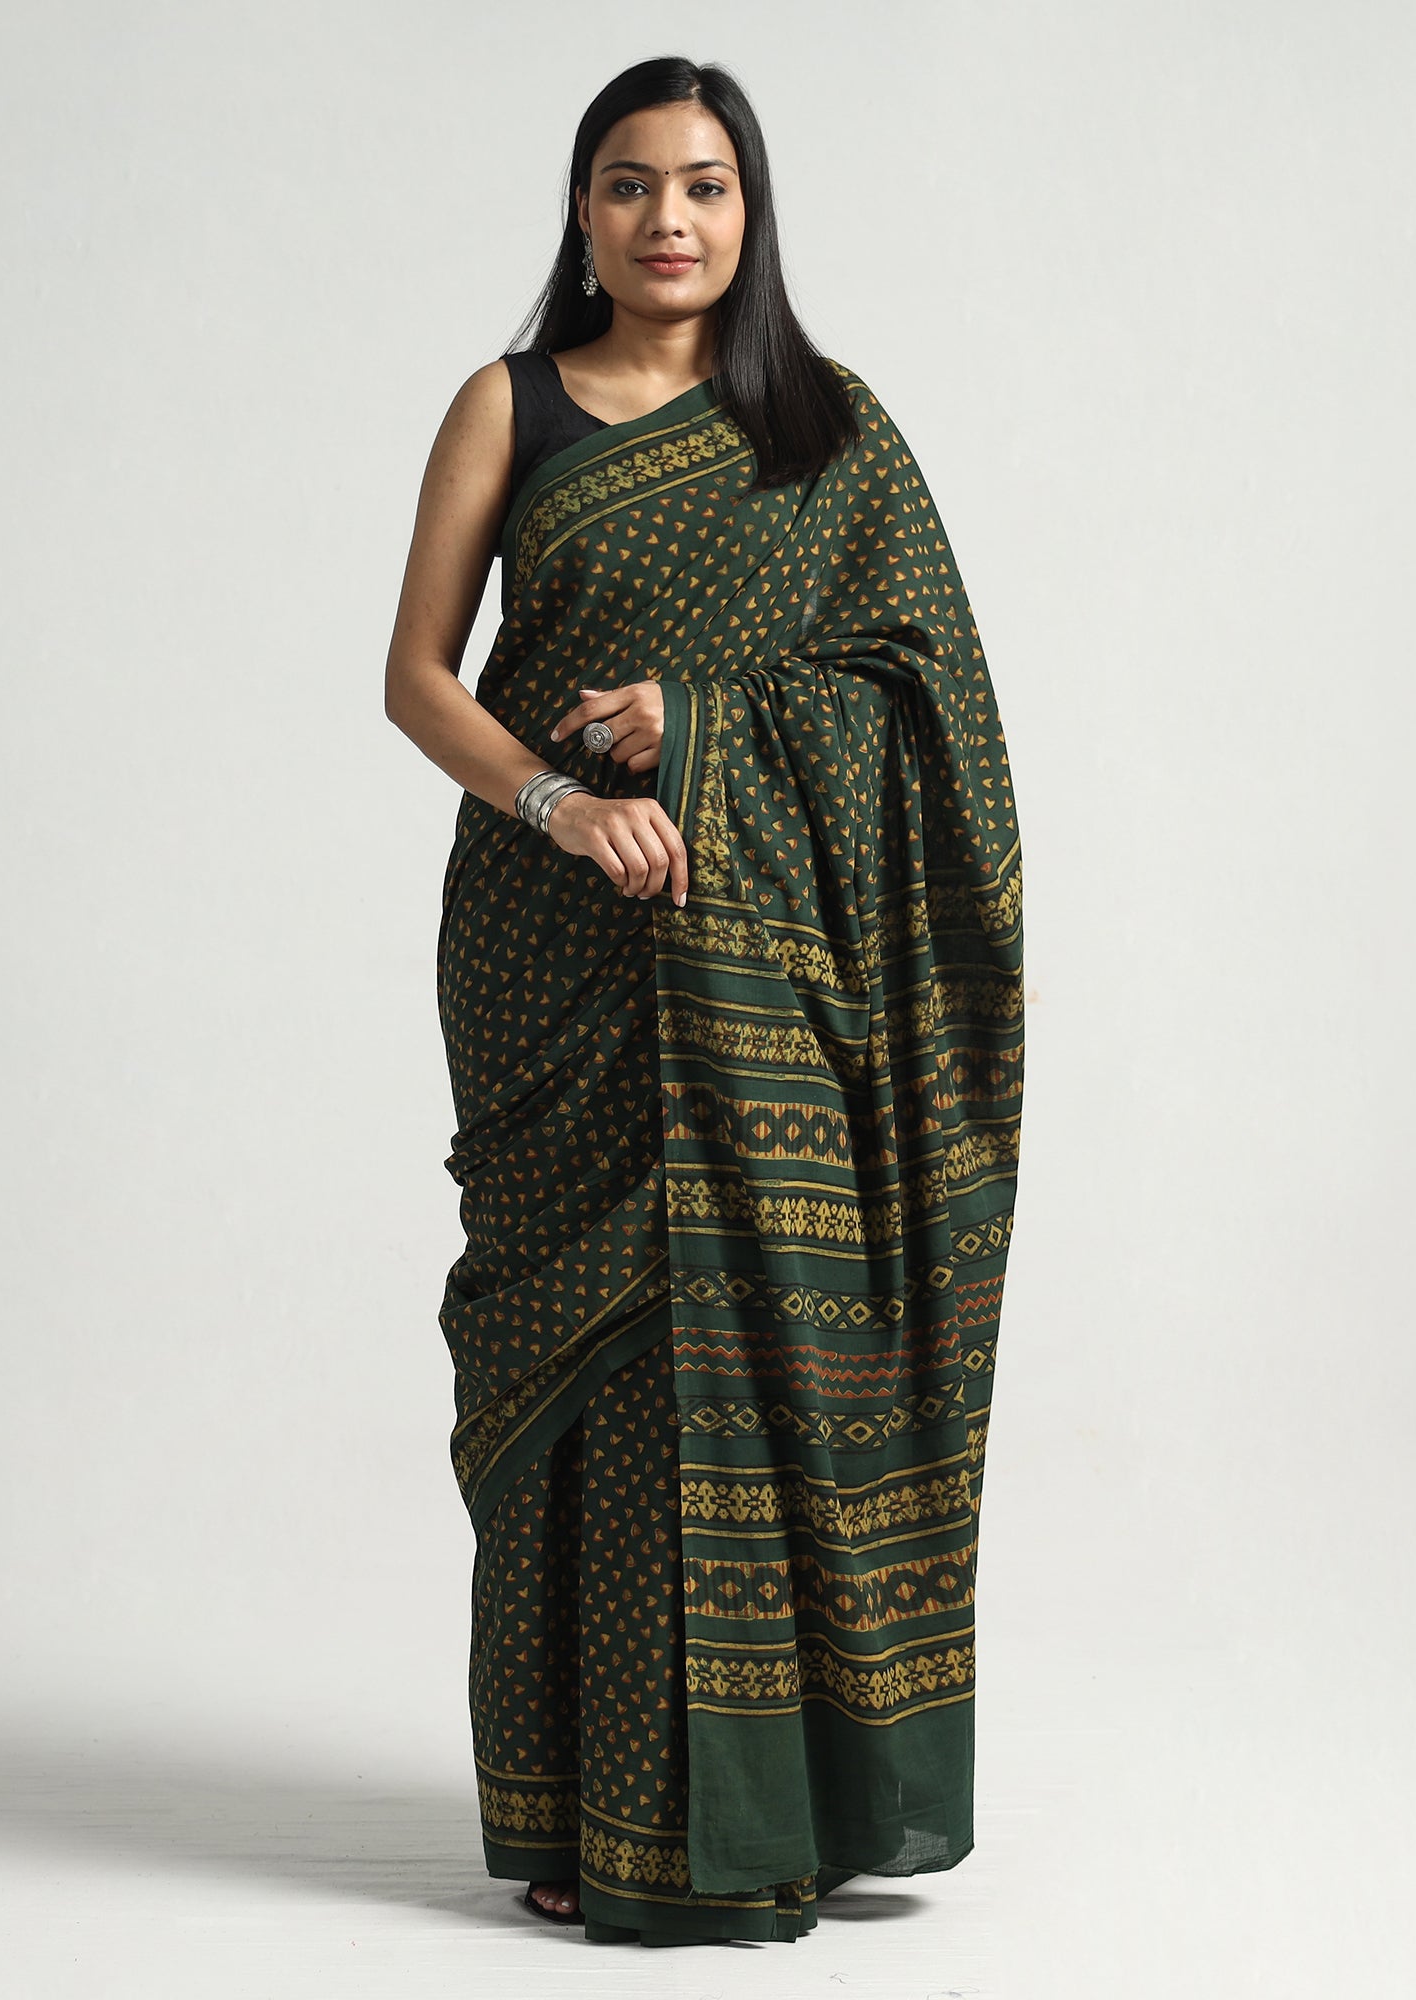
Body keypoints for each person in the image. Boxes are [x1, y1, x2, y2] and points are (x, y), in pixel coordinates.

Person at [383, 54, 1026, 1947]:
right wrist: (564, 804)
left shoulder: (830, 426)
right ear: (582, 212)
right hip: (553, 948)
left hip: (773, 964)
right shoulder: (507, 404)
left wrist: (709, 727)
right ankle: (587, 1811)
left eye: (705, 185)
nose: (667, 219)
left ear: (750, 213)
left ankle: (768, 1812)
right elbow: (419, 677)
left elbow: (934, 709)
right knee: (579, 1376)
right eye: (629, 184)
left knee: (758, 1360)